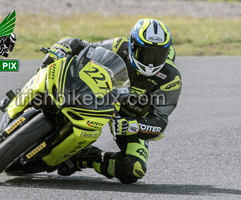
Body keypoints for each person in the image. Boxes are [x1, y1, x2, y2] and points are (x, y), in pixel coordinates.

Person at [42, 18, 182, 184]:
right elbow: (87, 48)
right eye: (145, 52)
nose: (151, 61)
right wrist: (68, 44)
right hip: (104, 96)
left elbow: (159, 121)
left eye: (159, 55)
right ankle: (26, 100)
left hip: (130, 119)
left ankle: (86, 157)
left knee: (133, 168)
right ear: (132, 45)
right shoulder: (119, 46)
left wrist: (133, 125)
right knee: (57, 70)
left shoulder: (171, 79)